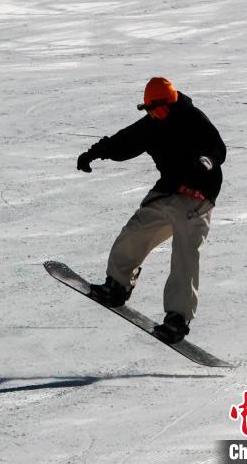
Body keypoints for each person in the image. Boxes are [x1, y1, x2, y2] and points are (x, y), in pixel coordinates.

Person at [76, 77, 226, 343]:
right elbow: (123, 142)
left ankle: (177, 319)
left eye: (160, 110)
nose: (156, 115)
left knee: (185, 254)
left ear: (171, 103)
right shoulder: (152, 124)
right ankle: (117, 286)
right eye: (151, 111)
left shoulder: (193, 118)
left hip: (197, 197)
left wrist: (206, 161)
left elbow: (217, 147)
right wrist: (94, 153)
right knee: (134, 233)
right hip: (167, 191)